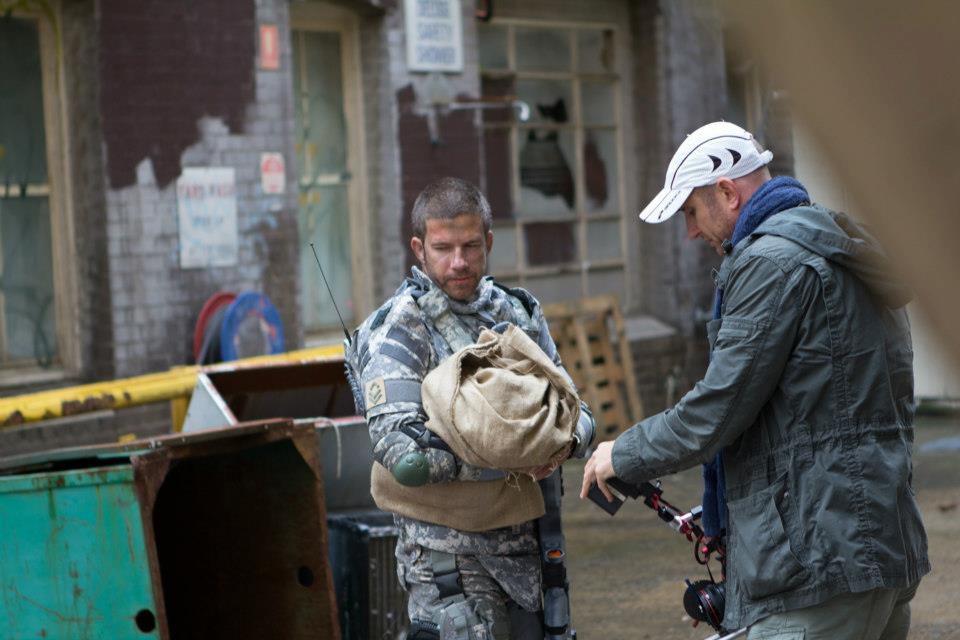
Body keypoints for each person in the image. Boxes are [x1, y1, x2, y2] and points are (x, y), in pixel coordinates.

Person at [580, 121, 929, 639]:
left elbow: (717, 410)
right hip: (878, 547)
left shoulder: (770, 263)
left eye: (691, 213)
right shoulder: (838, 247)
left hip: (815, 568)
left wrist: (622, 453)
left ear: (727, 191)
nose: (692, 232)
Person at [346, 177, 595, 640]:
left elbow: (578, 412)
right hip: (448, 565)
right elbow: (404, 455)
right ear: (418, 248)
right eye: (443, 248)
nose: (458, 262)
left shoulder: (517, 313)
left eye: (470, 246)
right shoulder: (397, 330)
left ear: (489, 242)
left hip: (530, 552)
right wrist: (513, 450)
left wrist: (566, 442)